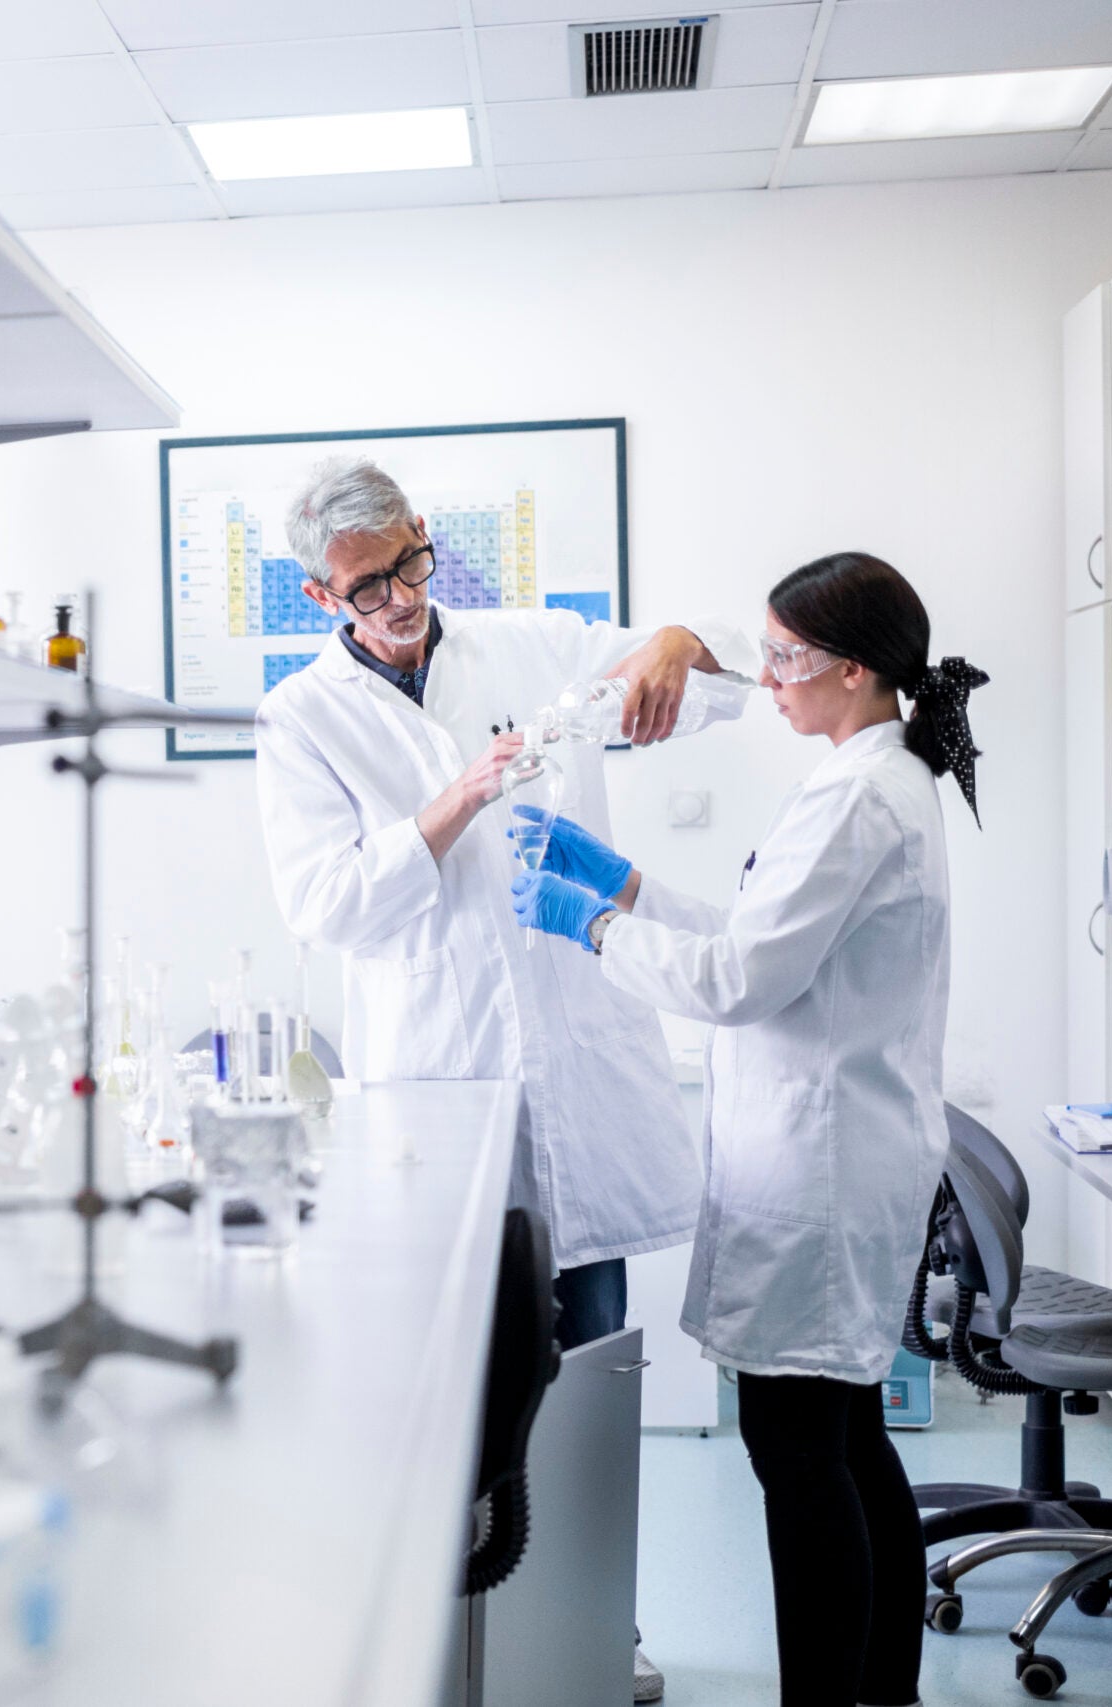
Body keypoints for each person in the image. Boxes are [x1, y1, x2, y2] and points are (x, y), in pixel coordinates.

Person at [258, 458, 753, 1701]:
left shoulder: (536, 645)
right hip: (440, 1086)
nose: (396, 601)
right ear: (319, 588)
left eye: (408, 566)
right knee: (458, 1393)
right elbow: (323, 908)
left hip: (577, 1072)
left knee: (589, 1375)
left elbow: (715, 681)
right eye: (365, 587)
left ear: (427, 540)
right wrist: (458, 797)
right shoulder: (301, 718)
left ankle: (596, 1633)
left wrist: (676, 645)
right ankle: (456, 1641)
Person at [510, 551, 984, 1707]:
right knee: (845, 1438)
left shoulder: (866, 795)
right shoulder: (862, 775)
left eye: (783, 659)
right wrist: (623, 885)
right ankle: (882, 1691)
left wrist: (588, 927)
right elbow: (758, 932)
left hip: (820, 1171)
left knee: (796, 1455)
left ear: (853, 670)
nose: (763, 681)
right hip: (830, 1154)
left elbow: (734, 980)